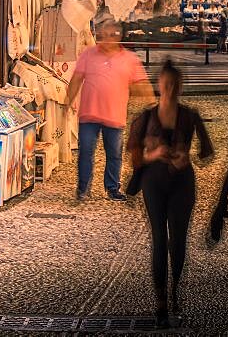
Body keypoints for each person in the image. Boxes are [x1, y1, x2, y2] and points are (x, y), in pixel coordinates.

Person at [127, 60, 213, 327]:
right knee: (158, 239)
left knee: (178, 240)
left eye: (175, 85)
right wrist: (154, 153)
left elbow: (207, 151)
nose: (170, 89)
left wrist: (187, 157)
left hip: (182, 182)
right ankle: (161, 299)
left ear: (180, 87)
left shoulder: (190, 116)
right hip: (153, 181)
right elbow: (133, 155)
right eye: (166, 84)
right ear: (159, 85)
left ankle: (175, 287)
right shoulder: (145, 118)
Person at [66, 18, 153, 201]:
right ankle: (83, 188)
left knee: (114, 154)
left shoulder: (130, 59)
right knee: (86, 152)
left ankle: (112, 188)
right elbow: (76, 79)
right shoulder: (88, 55)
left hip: (115, 116)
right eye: (103, 36)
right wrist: (67, 102)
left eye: (111, 35)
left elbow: (142, 83)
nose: (107, 39)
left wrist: (152, 104)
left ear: (118, 36)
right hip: (89, 114)